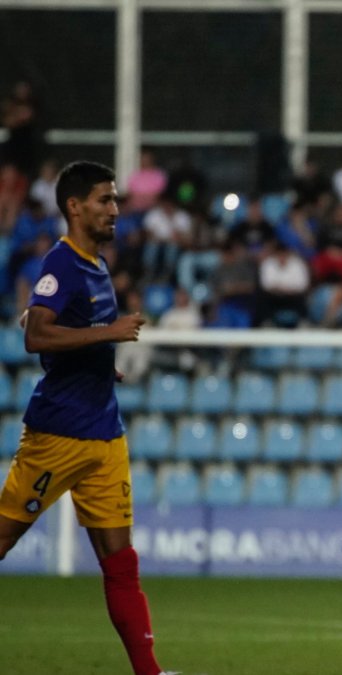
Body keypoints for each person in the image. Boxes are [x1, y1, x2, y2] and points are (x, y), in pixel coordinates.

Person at [0, 161, 173, 675]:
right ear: (75, 206)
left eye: (116, 199)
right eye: (104, 199)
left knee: (121, 564)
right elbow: (36, 335)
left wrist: (102, 367)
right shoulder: (63, 264)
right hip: (57, 435)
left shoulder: (96, 265)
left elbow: (66, 334)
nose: (114, 209)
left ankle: (149, 671)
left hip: (104, 435)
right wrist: (107, 336)